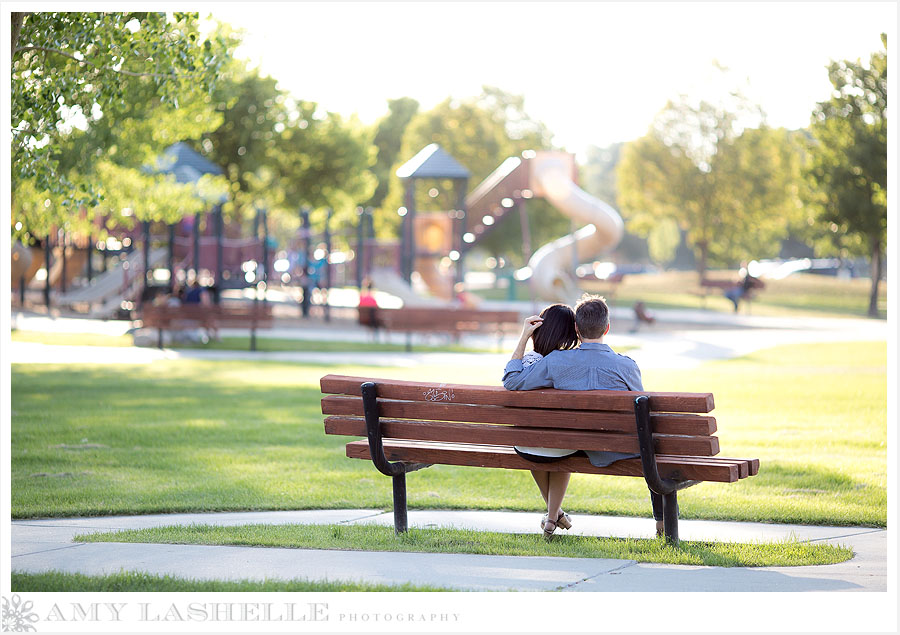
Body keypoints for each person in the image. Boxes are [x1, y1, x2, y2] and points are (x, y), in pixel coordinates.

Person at [503, 294, 664, 540]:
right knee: (654, 455)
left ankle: (552, 514)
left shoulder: (556, 361)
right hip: (616, 448)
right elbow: (642, 411)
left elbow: (513, 380)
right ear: (607, 328)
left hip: (578, 445)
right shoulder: (626, 366)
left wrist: (524, 336)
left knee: (556, 442)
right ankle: (663, 526)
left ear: (576, 329)